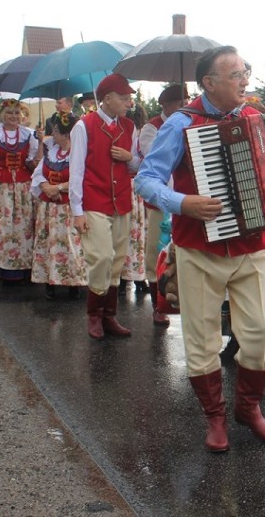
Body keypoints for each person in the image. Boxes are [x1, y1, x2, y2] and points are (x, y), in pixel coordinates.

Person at [135, 46, 265, 452]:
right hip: (199, 248)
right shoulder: (181, 123)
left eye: (244, 71)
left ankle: (248, 408)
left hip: (251, 247)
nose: (244, 79)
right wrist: (183, 203)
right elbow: (146, 180)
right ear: (209, 84)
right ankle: (214, 418)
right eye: (235, 75)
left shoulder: (259, 119)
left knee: (261, 331)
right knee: (201, 337)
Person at [69, 74, 140, 340]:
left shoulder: (129, 126)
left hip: (121, 200)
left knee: (117, 260)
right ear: (107, 98)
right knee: (101, 256)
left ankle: (109, 314)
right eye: (124, 98)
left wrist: (130, 158)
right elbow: (76, 170)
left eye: (129, 98)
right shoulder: (83, 126)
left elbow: (136, 167)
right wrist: (77, 211)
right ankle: (94, 314)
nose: (128, 103)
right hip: (94, 201)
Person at [137, 84, 189, 327]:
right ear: (166, 104)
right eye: (180, 101)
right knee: (156, 252)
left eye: (187, 100)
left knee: (184, 252)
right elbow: (152, 154)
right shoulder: (152, 127)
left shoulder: (193, 121)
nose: (185, 104)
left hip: (186, 199)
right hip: (161, 200)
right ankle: (158, 303)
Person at [0, 99, 39, 282]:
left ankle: (23, 268)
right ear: (3, 115)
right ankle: (0, 268)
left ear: (22, 115)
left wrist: (39, 147)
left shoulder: (29, 135)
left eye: (16, 113)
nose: (13, 117)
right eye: (9, 113)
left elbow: (34, 160)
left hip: (22, 188)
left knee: (23, 226)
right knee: (0, 225)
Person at [30, 112, 85, 299]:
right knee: (48, 242)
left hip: (68, 208)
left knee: (69, 244)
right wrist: (45, 186)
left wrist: (59, 187)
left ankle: (73, 283)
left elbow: (81, 179)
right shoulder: (51, 152)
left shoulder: (78, 154)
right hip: (49, 208)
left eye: (56, 131)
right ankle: (49, 281)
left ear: (66, 134)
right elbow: (37, 174)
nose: (53, 134)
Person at [119, 102, 149, 295]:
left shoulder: (138, 136)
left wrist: (128, 157)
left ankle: (134, 277)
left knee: (134, 233)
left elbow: (142, 164)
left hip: (134, 187)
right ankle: (130, 277)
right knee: (133, 233)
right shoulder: (129, 135)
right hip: (130, 188)